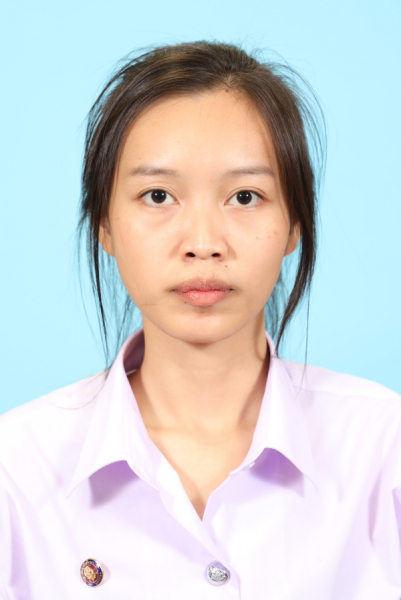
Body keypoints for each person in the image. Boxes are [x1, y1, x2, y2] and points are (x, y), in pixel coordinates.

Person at [0, 41, 400, 600]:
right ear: (104, 225)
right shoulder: (17, 466)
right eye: (158, 195)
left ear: (295, 225)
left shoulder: (383, 447)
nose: (204, 243)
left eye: (245, 196)